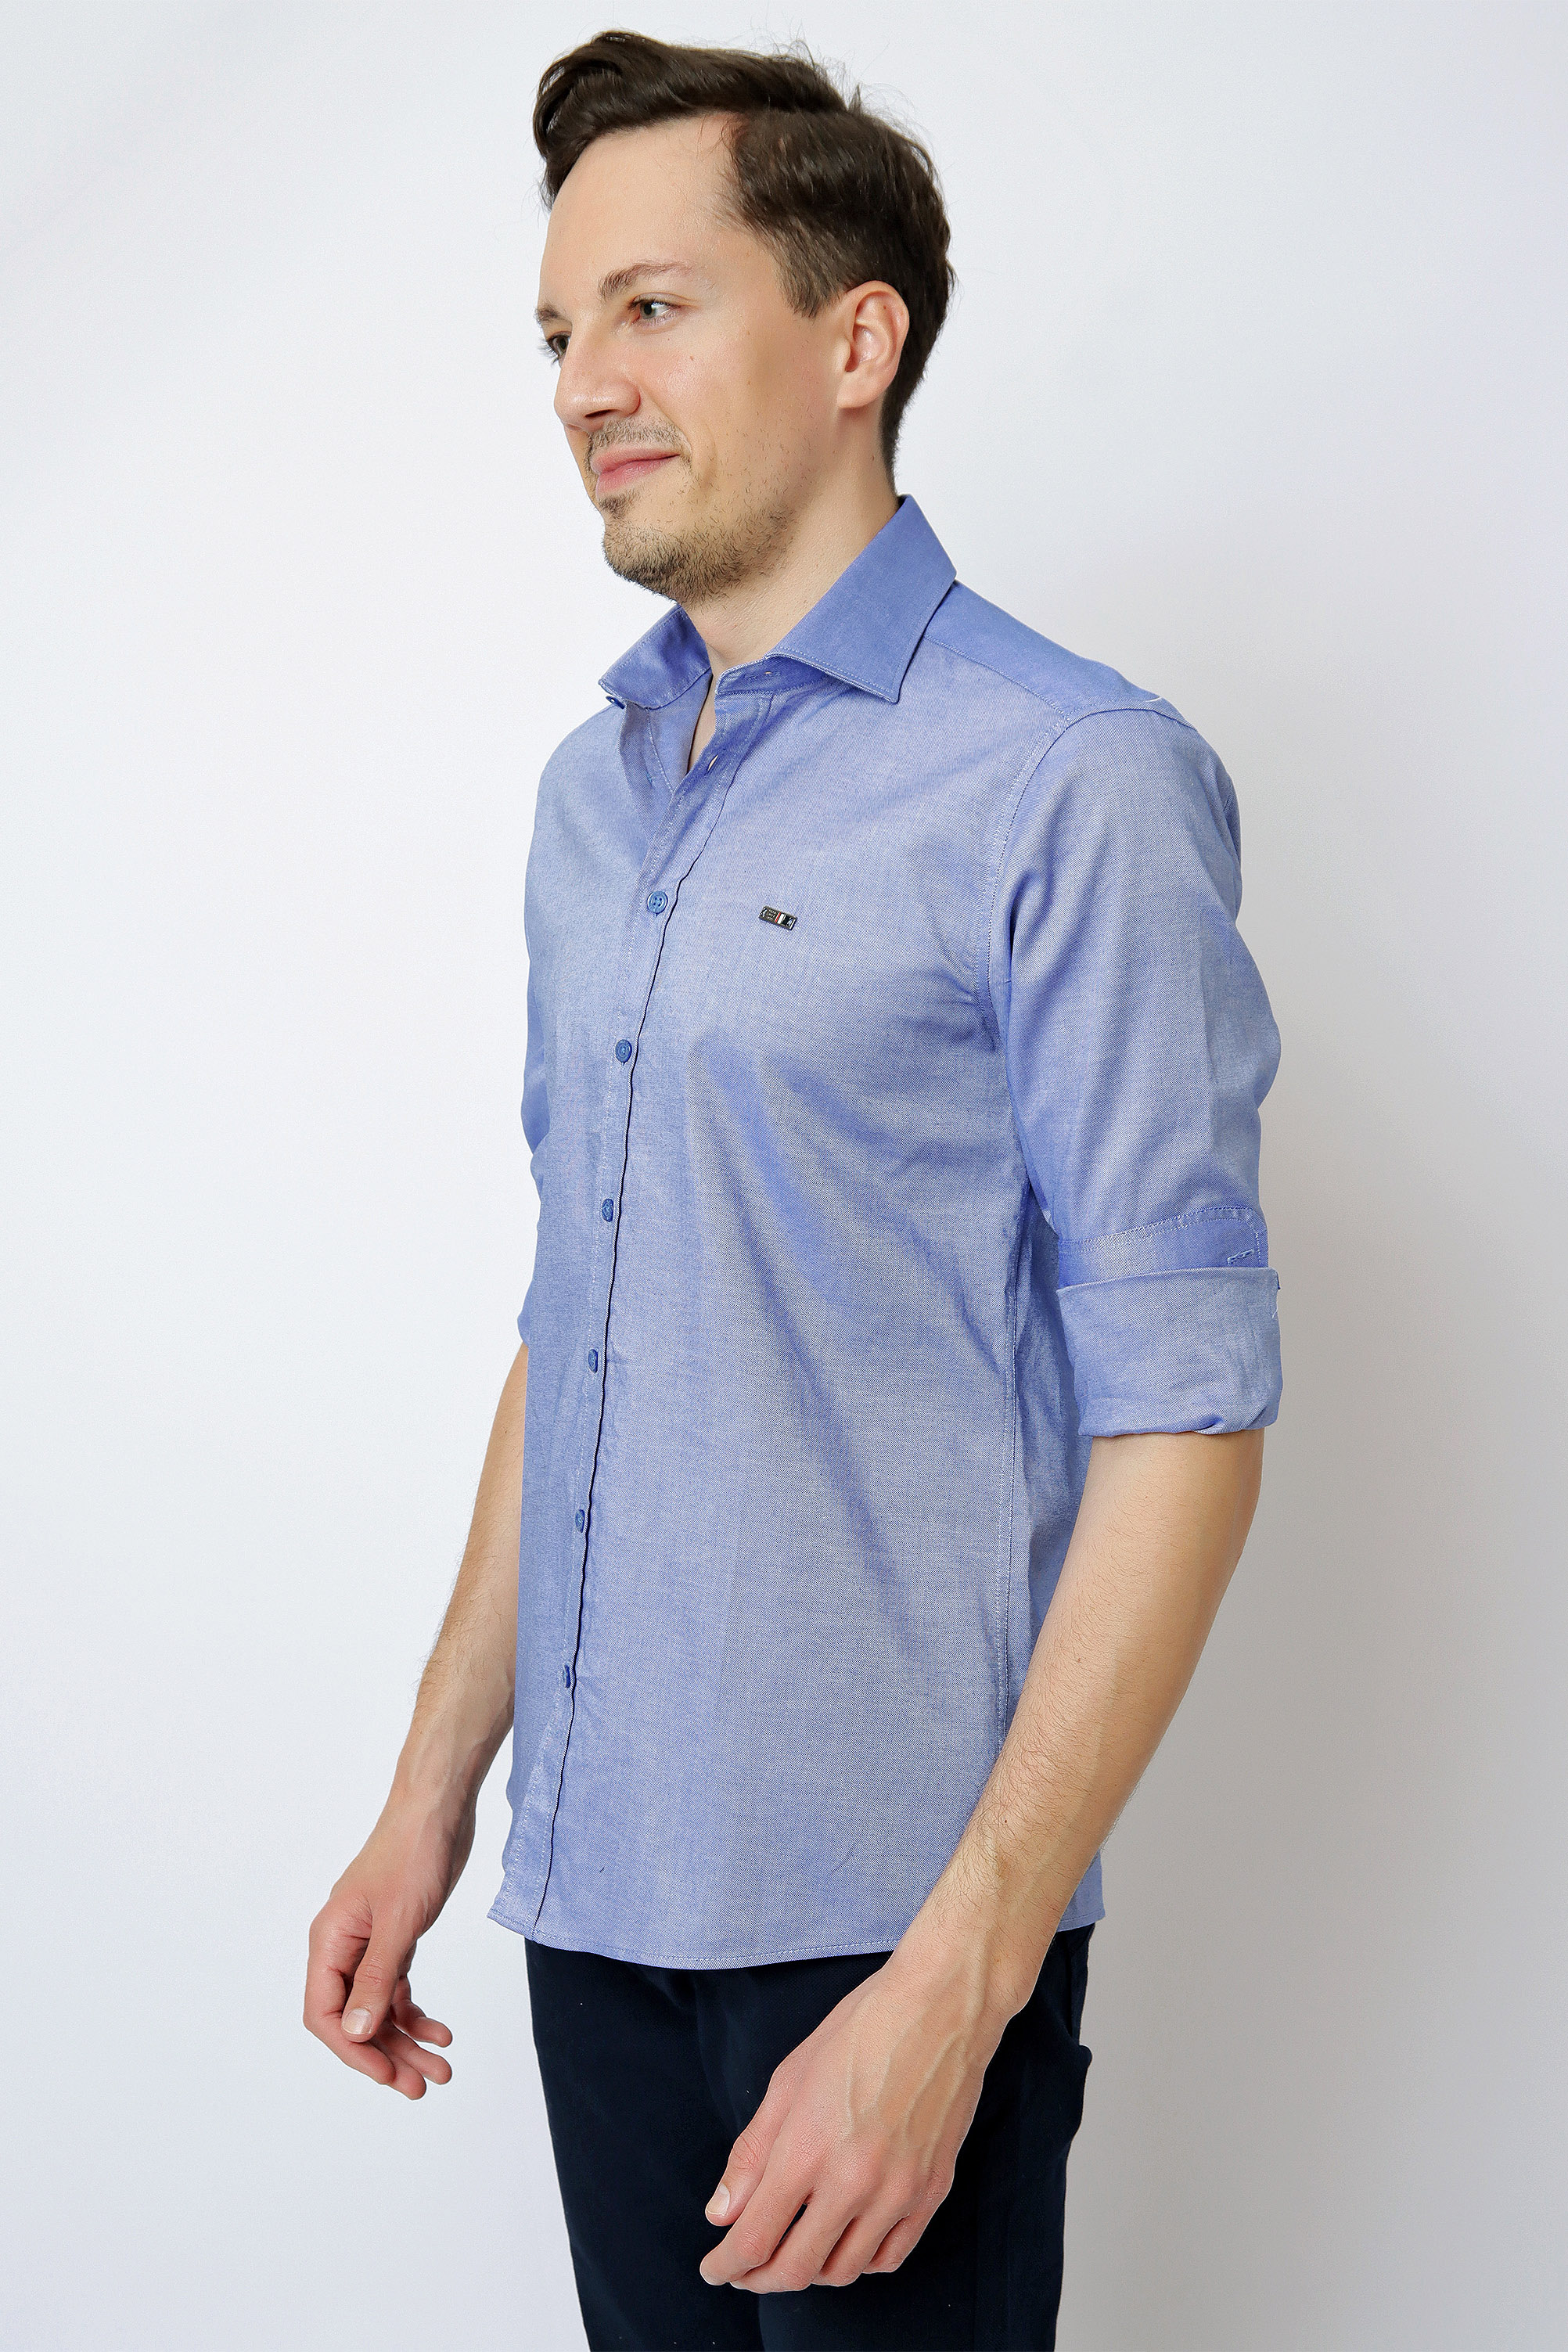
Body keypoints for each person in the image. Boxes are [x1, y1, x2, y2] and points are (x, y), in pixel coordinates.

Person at [304, 31, 1282, 2351]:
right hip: (592, 1899)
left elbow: (1187, 1414)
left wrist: (960, 1980)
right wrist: (433, 1795)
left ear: (858, 341)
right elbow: (586, 1308)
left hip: (886, 1930)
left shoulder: (1072, 779)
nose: (584, 383)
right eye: (562, 330)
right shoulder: (593, 796)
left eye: (651, 307)